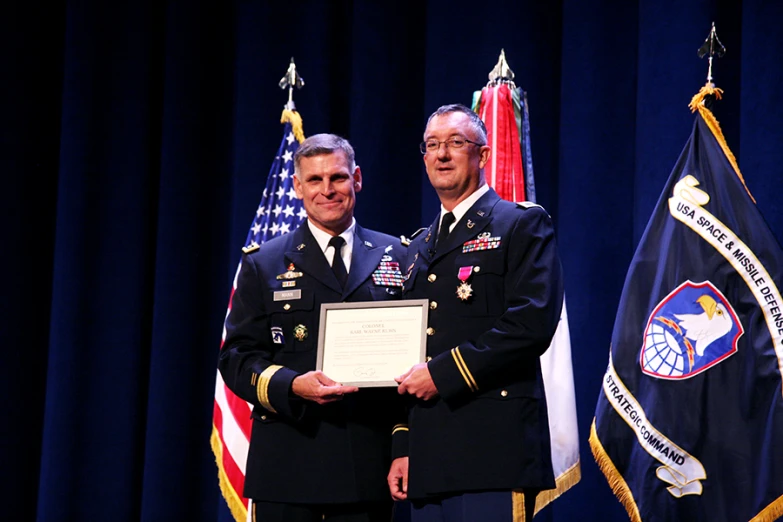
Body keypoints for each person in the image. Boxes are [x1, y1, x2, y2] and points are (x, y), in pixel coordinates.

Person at [388, 104, 564, 522]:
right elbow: (406, 351)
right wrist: (402, 444)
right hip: (429, 457)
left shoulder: (520, 224)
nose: (442, 154)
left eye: (455, 143)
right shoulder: (416, 247)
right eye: (432, 145)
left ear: (483, 156)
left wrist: (443, 374)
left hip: (494, 450)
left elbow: (532, 323)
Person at [219, 133, 406, 522]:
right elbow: (236, 359)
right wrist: (291, 384)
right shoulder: (263, 264)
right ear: (298, 187)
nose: (328, 190)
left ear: (356, 178)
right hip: (290, 460)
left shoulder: (400, 256)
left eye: (337, 177)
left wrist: (403, 443)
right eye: (315, 181)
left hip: (369, 462)